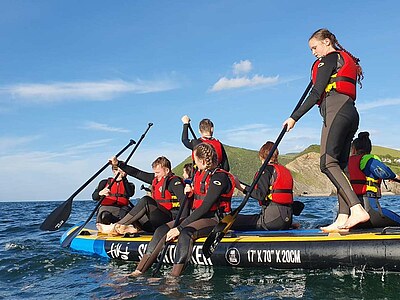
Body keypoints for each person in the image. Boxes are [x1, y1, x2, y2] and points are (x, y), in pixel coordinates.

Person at [282, 28, 370, 232]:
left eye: (315, 47)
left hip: (336, 109)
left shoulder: (329, 59)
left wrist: (294, 117)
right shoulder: (340, 60)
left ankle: (357, 209)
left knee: (327, 163)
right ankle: (343, 216)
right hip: (350, 112)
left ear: (327, 42)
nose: (313, 52)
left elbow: (315, 94)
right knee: (341, 165)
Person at [130, 143, 235, 277]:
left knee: (186, 233)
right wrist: (190, 192)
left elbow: (205, 207)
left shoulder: (219, 177)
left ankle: (174, 278)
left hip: (213, 219)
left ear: (202, 161)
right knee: (161, 230)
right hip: (196, 217)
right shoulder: (199, 173)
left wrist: (179, 228)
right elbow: (196, 201)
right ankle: (140, 270)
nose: (195, 164)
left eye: (196, 161)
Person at [97, 156, 186, 235]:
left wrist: (180, 227)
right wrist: (119, 164)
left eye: (158, 172)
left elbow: (185, 203)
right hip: (156, 222)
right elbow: (137, 173)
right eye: (154, 172)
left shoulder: (174, 182)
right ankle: (130, 228)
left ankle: (116, 227)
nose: (155, 175)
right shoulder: (156, 179)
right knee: (133, 211)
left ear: (167, 170)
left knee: (146, 200)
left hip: (170, 220)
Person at [232, 141, 295, 231]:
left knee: (235, 220)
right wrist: (240, 184)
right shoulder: (283, 170)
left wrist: (240, 187)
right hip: (287, 220)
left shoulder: (265, 170)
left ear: (261, 156)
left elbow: (260, 195)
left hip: (271, 221)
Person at [347, 131, 400, 228]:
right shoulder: (368, 159)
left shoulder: (346, 162)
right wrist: (395, 176)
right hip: (370, 211)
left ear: (353, 149)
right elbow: (384, 172)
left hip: (349, 213)